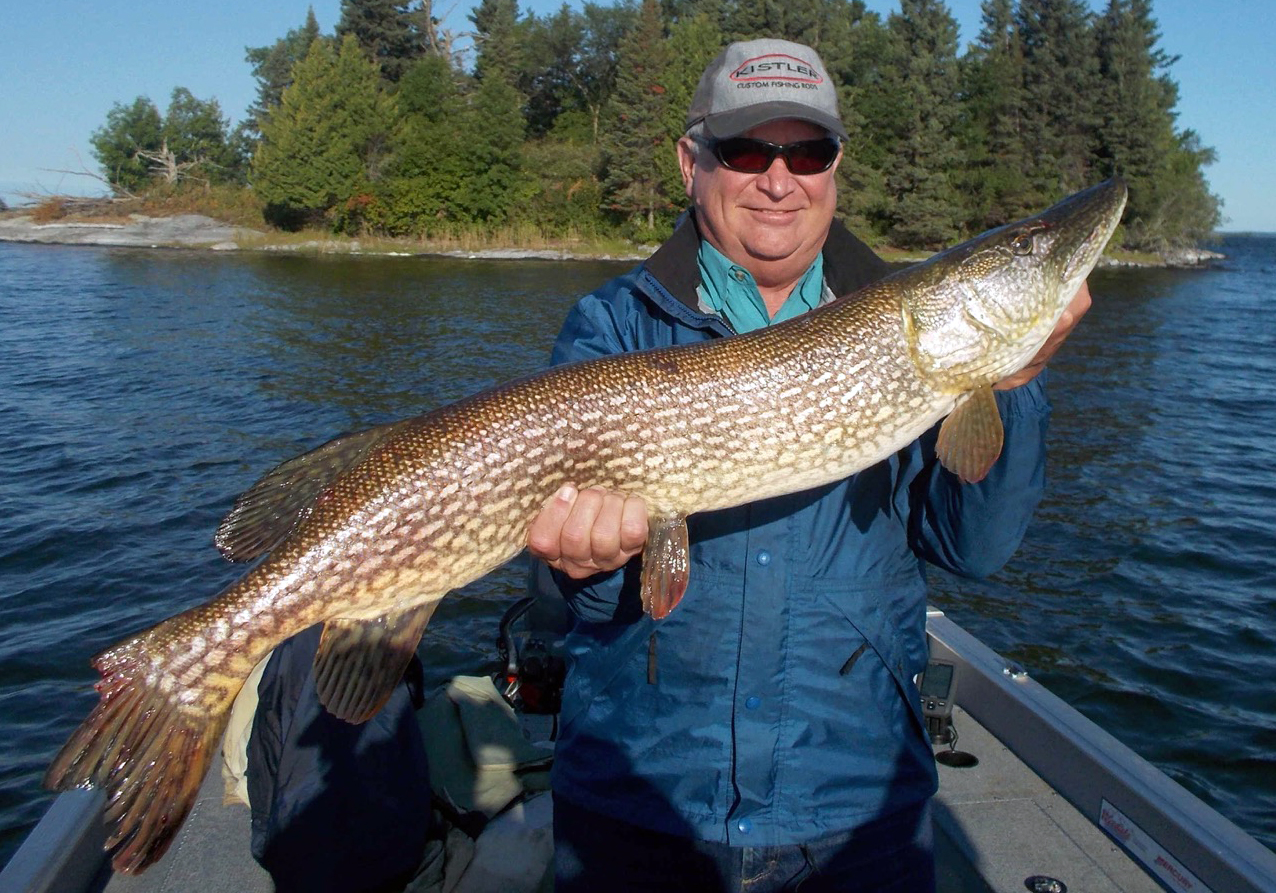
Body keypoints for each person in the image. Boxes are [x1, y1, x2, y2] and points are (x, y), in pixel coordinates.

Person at [525, 38, 1091, 892]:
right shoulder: (612, 328)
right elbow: (580, 594)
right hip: (642, 798)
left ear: (836, 168)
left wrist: (1013, 380)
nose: (779, 179)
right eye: (747, 150)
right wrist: (590, 563)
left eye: (809, 152)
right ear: (691, 162)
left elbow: (975, 545)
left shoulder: (915, 331)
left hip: (856, 805)